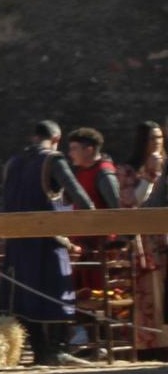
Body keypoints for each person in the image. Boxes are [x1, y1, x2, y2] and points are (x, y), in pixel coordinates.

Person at [0, 120, 94, 366]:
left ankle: (41, 352)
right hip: (48, 243)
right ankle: (55, 350)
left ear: (34, 137)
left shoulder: (12, 164)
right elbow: (82, 201)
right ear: (56, 139)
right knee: (56, 295)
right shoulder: (53, 161)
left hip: (17, 244)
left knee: (26, 298)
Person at [117, 121, 165, 356]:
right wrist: (150, 176)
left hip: (165, 234)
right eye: (151, 138)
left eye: (159, 137)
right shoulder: (128, 170)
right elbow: (132, 202)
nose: (157, 142)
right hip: (146, 239)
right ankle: (151, 346)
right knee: (149, 292)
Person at [65, 127, 120, 326]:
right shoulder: (80, 172)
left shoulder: (104, 173)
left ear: (89, 150)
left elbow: (115, 209)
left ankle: (103, 335)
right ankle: (86, 333)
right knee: (80, 292)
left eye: (74, 148)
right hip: (83, 244)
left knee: (98, 293)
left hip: (99, 245)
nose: (70, 153)